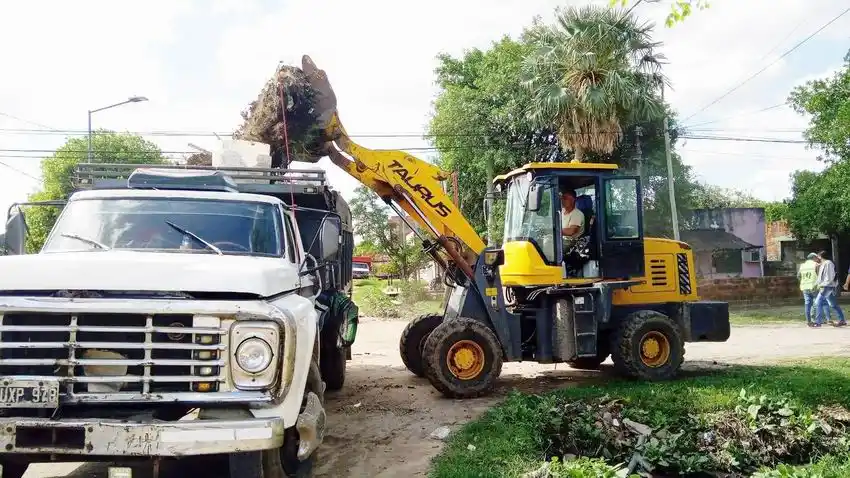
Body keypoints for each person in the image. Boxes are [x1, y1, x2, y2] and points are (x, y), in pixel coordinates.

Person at [813, 250, 846, 327]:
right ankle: (842, 320)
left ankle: (818, 322)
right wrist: (816, 284)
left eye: (818, 256)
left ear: (821, 256)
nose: (817, 257)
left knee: (818, 302)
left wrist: (824, 284)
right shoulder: (823, 264)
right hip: (826, 285)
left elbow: (830, 276)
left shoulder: (828, 263)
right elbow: (820, 277)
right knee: (833, 304)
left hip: (827, 286)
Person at [798, 252, 819, 326]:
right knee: (816, 303)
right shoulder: (816, 265)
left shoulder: (802, 265)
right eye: (816, 258)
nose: (817, 259)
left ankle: (808, 321)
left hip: (804, 287)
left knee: (807, 304)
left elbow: (798, 276)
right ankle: (815, 320)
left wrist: (804, 281)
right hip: (814, 286)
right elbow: (819, 276)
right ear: (813, 258)